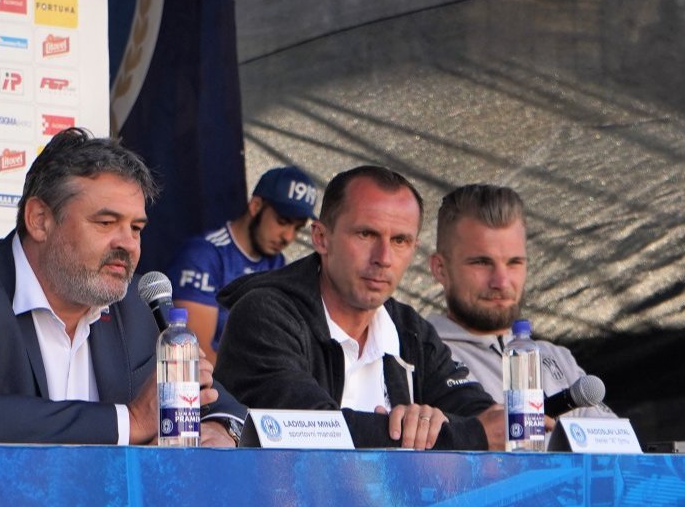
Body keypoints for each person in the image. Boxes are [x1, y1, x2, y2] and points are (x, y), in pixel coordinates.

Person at [0, 127, 245, 445]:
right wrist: (131, 421)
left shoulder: (137, 305)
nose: (128, 244)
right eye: (106, 223)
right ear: (40, 220)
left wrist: (220, 429)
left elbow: (224, 406)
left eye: (136, 228)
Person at [214, 165, 504, 450]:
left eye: (400, 240)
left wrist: (450, 426)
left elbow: (487, 419)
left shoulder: (410, 330)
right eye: (366, 234)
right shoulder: (264, 315)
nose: (383, 258)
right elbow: (309, 432)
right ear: (321, 239)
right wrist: (460, 436)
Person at [428, 183, 614, 422]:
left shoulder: (559, 359)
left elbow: (617, 445)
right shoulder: (420, 359)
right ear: (440, 269)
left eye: (514, 263)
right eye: (481, 263)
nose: (501, 281)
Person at [165, 166, 316, 364]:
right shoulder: (204, 256)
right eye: (282, 221)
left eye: (297, 228)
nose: (288, 237)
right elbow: (194, 355)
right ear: (256, 206)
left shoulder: (278, 264)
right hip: (206, 381)